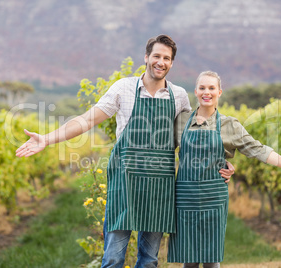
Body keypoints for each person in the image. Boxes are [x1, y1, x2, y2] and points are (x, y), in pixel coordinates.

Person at [15, 36, 234, 268]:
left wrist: (221, 161)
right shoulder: (124, 88)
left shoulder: (178, 96)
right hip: (125, 182)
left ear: (172, 63)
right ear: (146, 57)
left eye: (167, 58)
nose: (161, 62)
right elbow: (87, 120)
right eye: (157, 56)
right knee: (113, 258)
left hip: (159, 187)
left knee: (149, 261)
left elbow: (193, 139)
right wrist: (47, 139)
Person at [167, 71, 281, 268]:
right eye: (202, 88)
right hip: (185, 197)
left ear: (220, 92)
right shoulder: (181, 121)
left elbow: (259, 150)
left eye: (211, 88)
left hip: (213, 197)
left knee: (211, 258)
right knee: (189, 258)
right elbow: (163, 152)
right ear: (196, 91)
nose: (206, 92)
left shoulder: (230, 125)